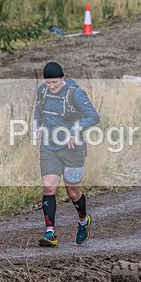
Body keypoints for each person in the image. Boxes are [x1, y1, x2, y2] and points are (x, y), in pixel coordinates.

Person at [34, 62, 100, 247]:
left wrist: (75, 131)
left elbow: (94, 117)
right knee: (48, 187)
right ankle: (50, 233)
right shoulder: (43, 91)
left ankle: (82, 221)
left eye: (55, 82)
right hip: (49, 146)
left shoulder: (75, 93)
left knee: (72, 191)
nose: (52, 87)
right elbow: (38, 111)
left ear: (63, 78)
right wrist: (37, 126)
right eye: (48, 83)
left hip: (72, 148)